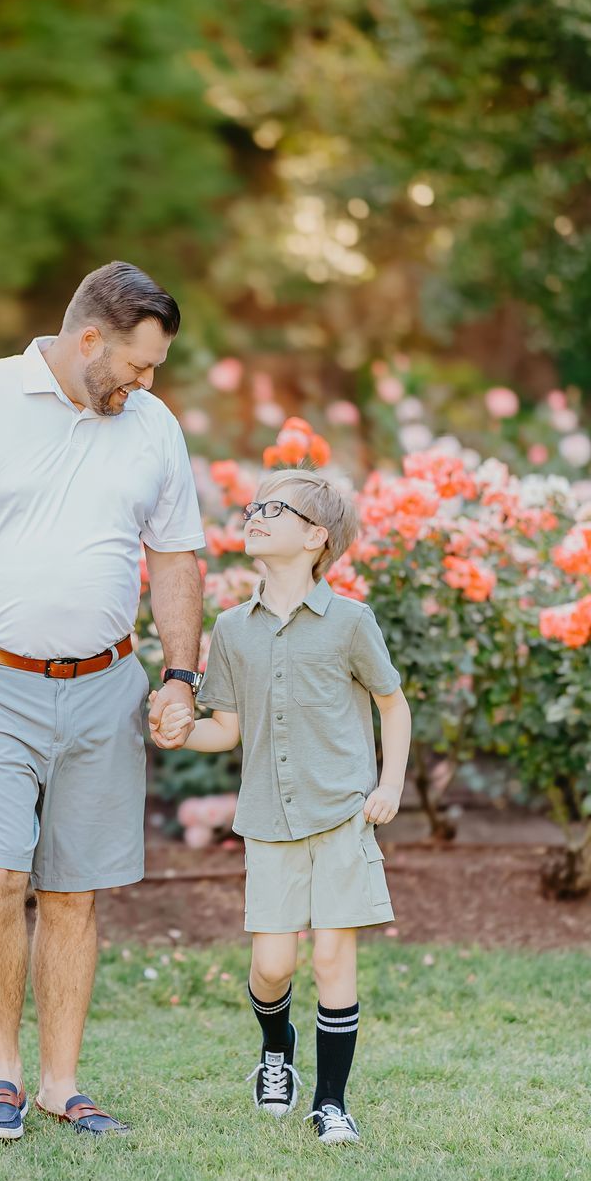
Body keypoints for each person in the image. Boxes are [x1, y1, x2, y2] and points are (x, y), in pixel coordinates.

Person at [0, 262, 206, 1139]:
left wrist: (179, 675)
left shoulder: (151, 425)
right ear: (89, 339)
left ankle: (60, 1081)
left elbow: (174, 554)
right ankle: (1, 1075)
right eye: (137, 364)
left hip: (105, 684)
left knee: (76, 892)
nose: (147, 383)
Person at [152, 467, 411, 1145]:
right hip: (268, 822)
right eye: (253, 505)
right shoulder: (233, 630)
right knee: (271, 968)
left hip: (343, 814)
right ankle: (276, 1049)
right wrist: (177, 727)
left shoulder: (351, 621)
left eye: (275, 509)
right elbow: (226, 730)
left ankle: (331, 1104)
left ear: (315, 537)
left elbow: (393, 703)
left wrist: (390, 784)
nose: (254, 514)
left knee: (331, 958)